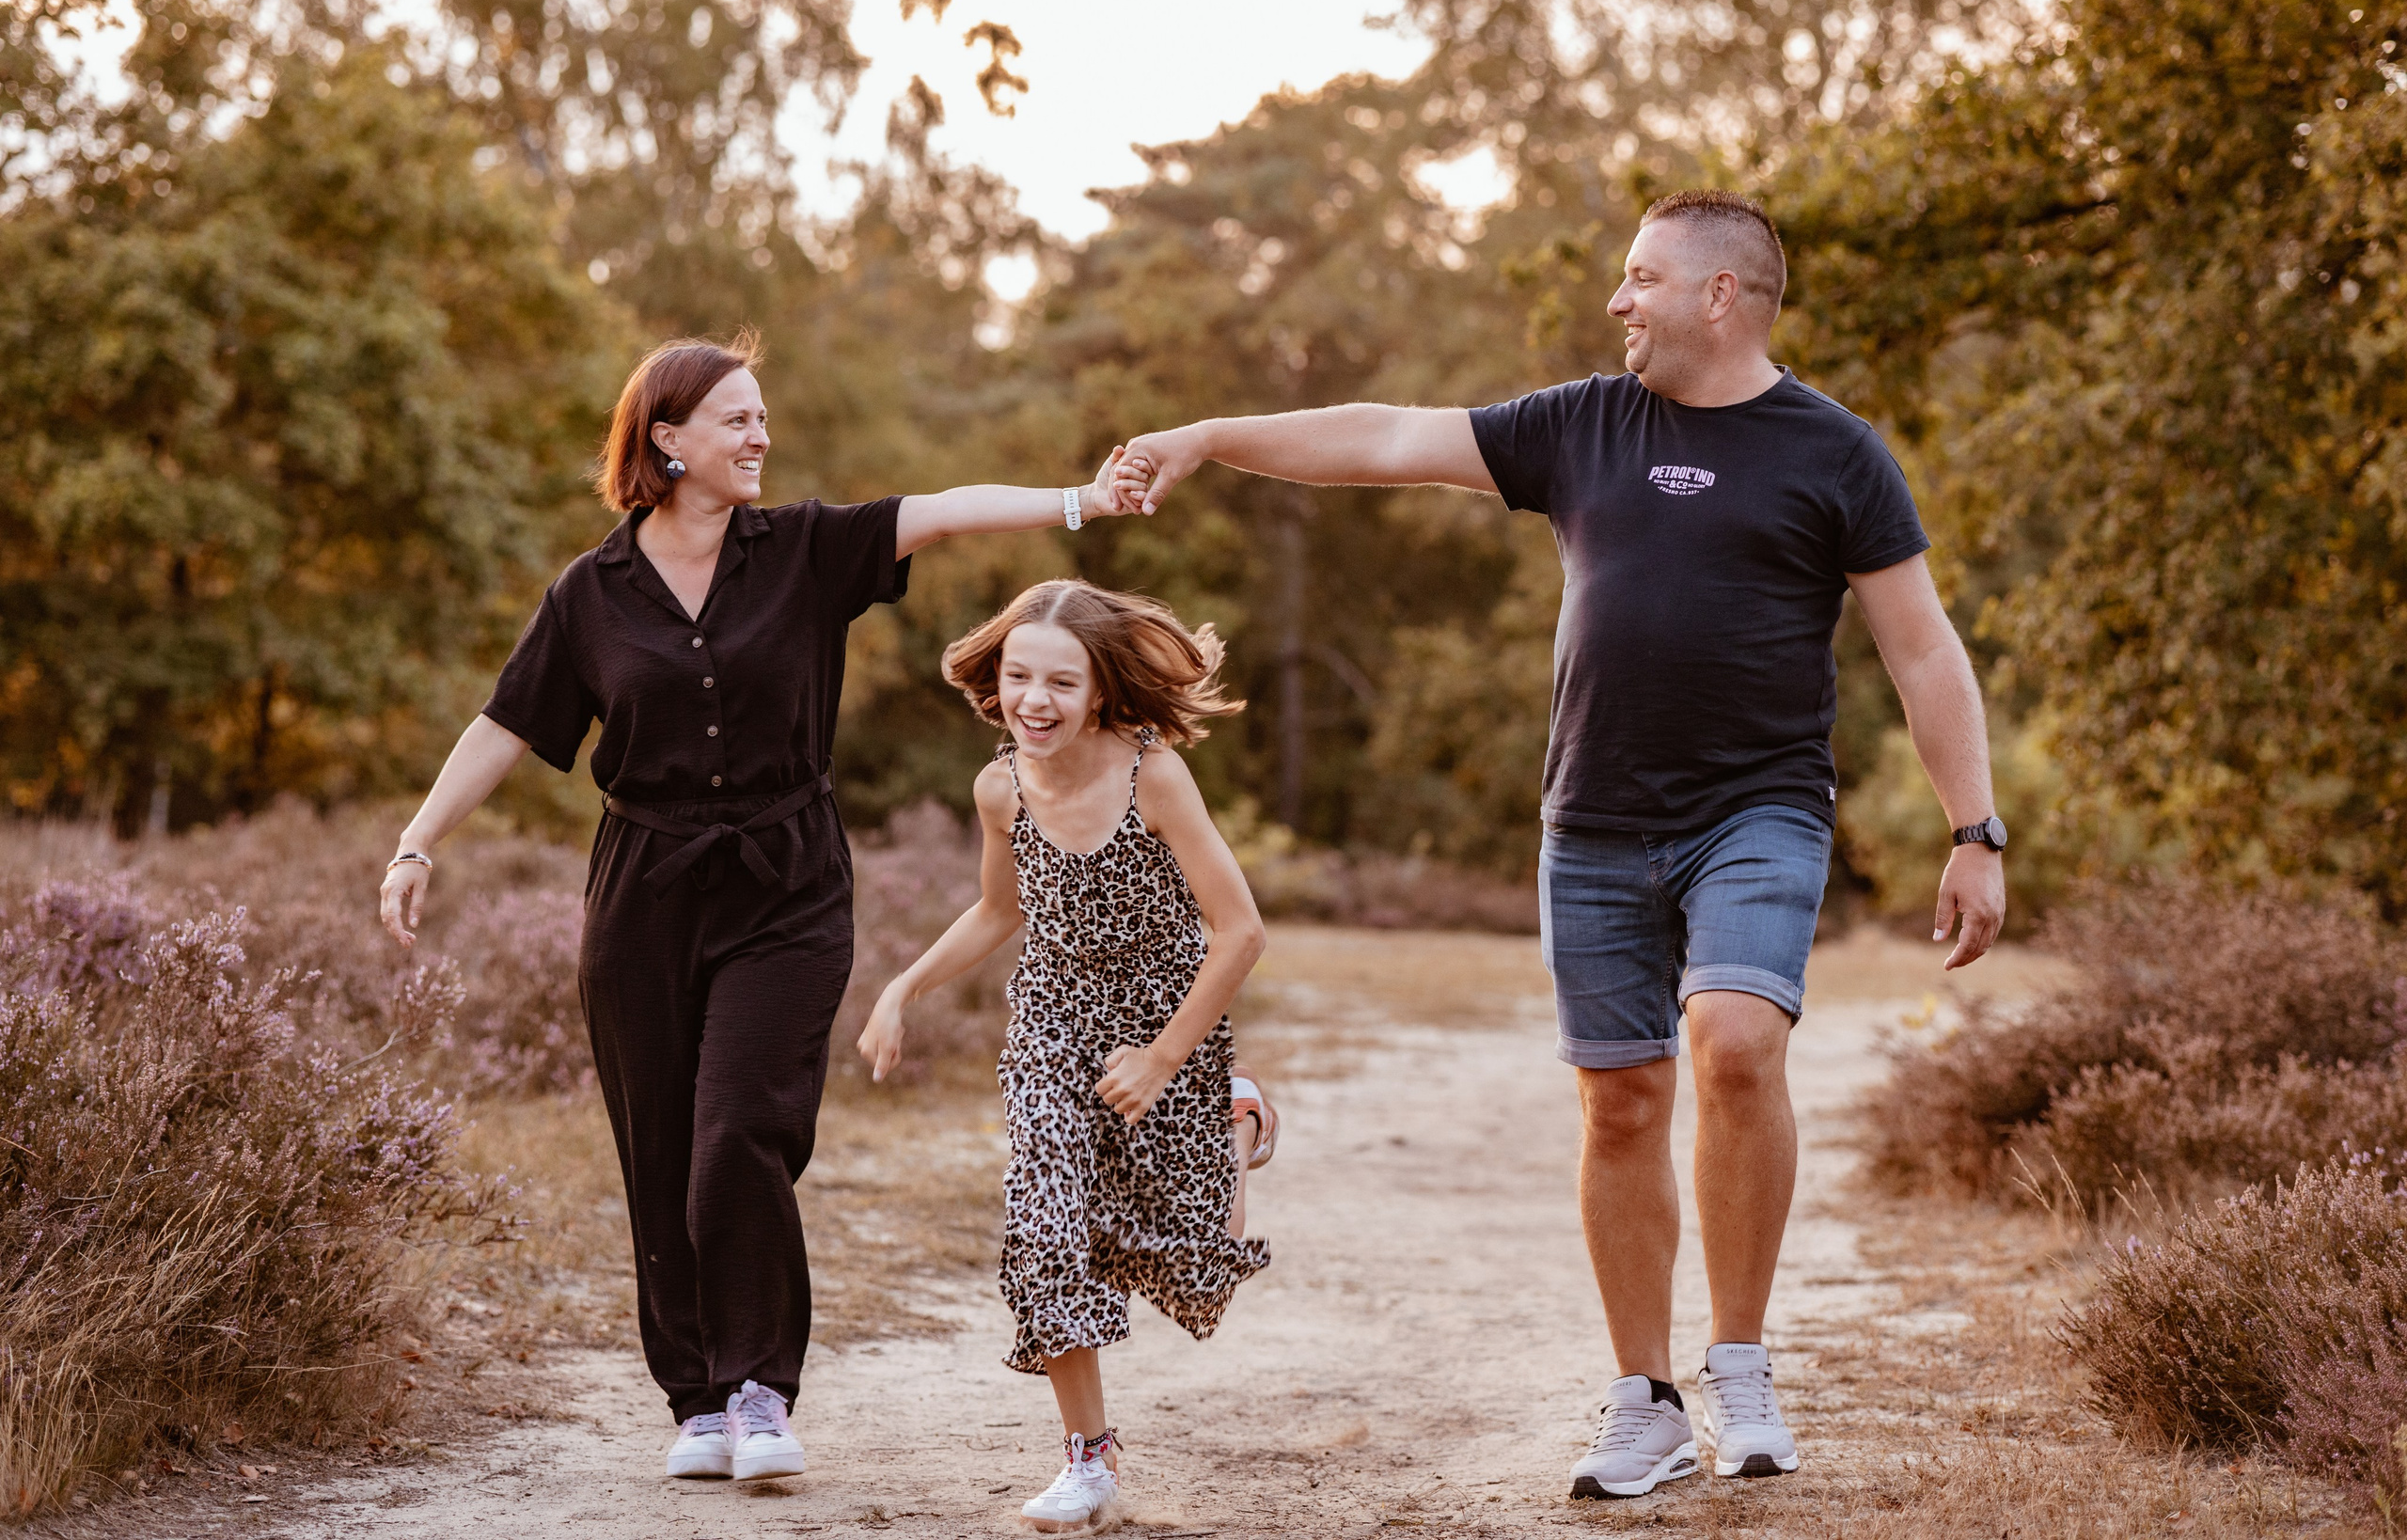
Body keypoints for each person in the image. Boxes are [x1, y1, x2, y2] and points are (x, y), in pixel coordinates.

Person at [1109, 189, 2008, 1501]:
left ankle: (1741, 1360)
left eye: (1641, 277)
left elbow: (1921, 645)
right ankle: (1642, 1396)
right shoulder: (1582, 423)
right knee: (1624, 1097)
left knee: (1738, 1042)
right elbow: (1383, 435)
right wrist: (1206, 435)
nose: (1617, 300)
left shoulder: (1837, 453)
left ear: (1721, 295)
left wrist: (1974, 825)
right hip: (1590, 820)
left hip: (1758, 808)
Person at [375, 333, 1145, 1485]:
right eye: (736, 420)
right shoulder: (590, 595)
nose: (760, 437)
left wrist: (1080, 498)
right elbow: (506, 722)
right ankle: (694, 1403)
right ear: (667, 440)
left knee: (738, 1129)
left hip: (787, 883)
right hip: (643, 892)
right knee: (660, 1150)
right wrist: (417, 841)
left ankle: (758, 1389)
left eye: (762, 417)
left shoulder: (803, 551)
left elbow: (937, 512)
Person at [857, 579, 1274, 1532]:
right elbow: (1000, 911)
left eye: (1060, 681)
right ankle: (1088, 1460)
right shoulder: (998, 785)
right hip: (1049, 1022)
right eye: (1017, 677)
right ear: (994, 683)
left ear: (1099, 691)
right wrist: (900, 988)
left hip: (1165, 1020)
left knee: (1182, 1256)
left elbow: (1240, 930)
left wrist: (1169, 1060)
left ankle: (1232, 1122)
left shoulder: (1150, 772)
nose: (1034, 701)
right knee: (1047, 1228)